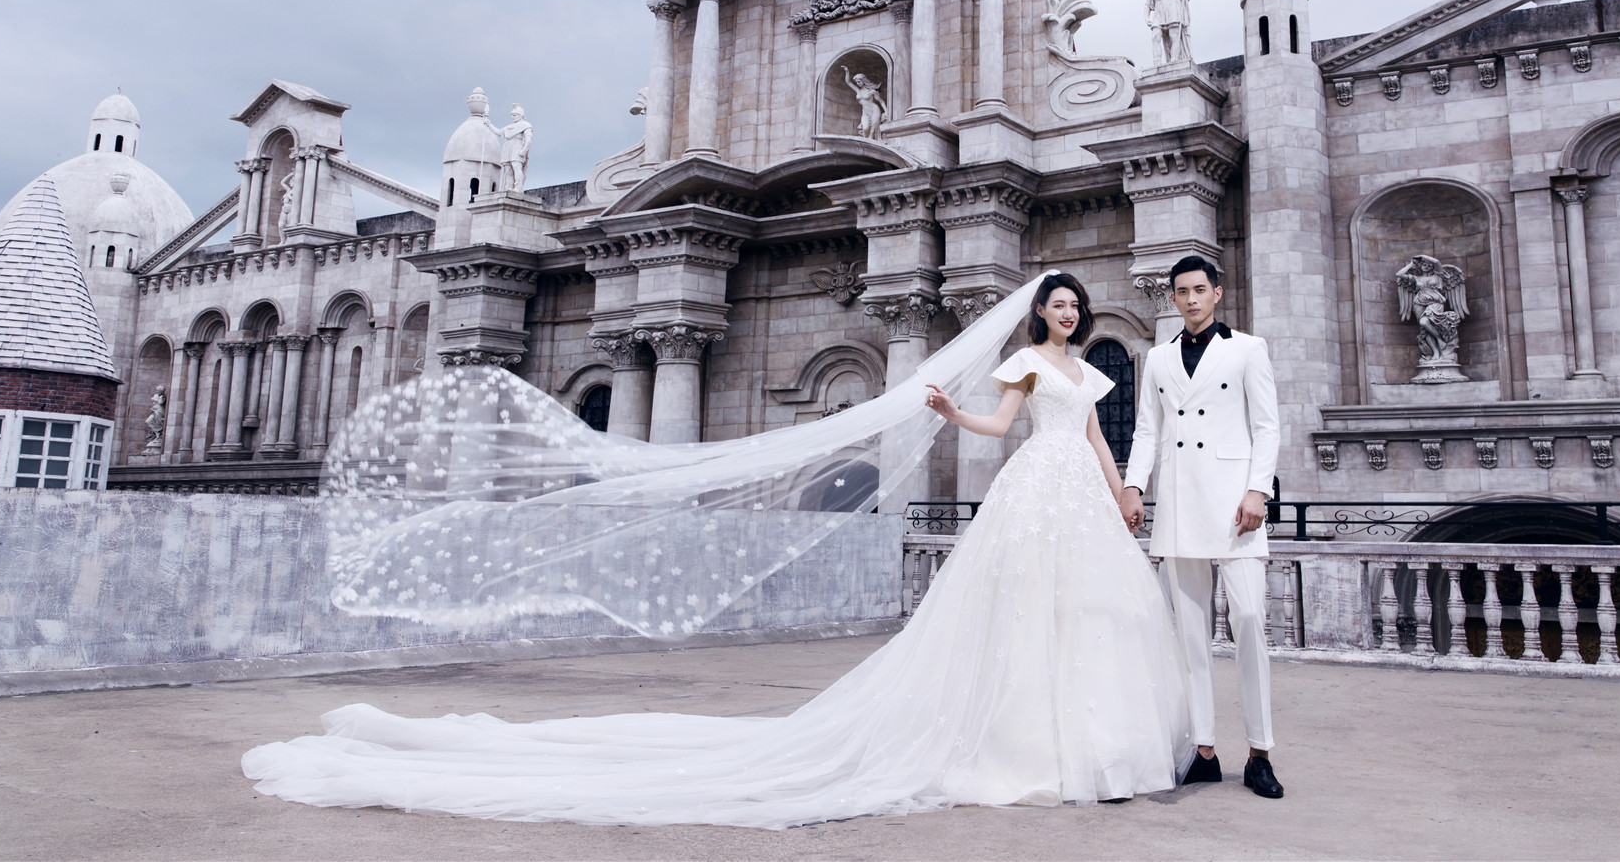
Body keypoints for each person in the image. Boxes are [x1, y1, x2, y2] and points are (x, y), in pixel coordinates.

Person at [243, 271, 1192, 827]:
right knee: (1024, 612)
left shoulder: (1090, 366)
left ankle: (1095, 745)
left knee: (1092, 614)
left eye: (1074, 306)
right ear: (1039, 317)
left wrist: (1120, 489)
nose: (1067, 314)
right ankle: (1029, 744)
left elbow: (1102, 439)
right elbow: (998, 427)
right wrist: (950, 410)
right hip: (1033, 490)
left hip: (1081, 491)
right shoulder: (1026, 363)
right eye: (1057, 306)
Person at [1122, 255, 1284, 799]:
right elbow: (1148, 430)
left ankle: (1260, 752)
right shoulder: (1159, 357)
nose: (1190, 299)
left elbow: (1266, 426)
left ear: (1217, 293)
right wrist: (1133, 485)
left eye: (1199, 290)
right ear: (1172, 298)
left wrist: (1259, 490)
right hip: (1180, 503)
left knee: (1248, 621)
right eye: (1181, 292)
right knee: (1189, 634)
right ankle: (1206, 749)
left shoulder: (1247, 349)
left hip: (1236, 506)